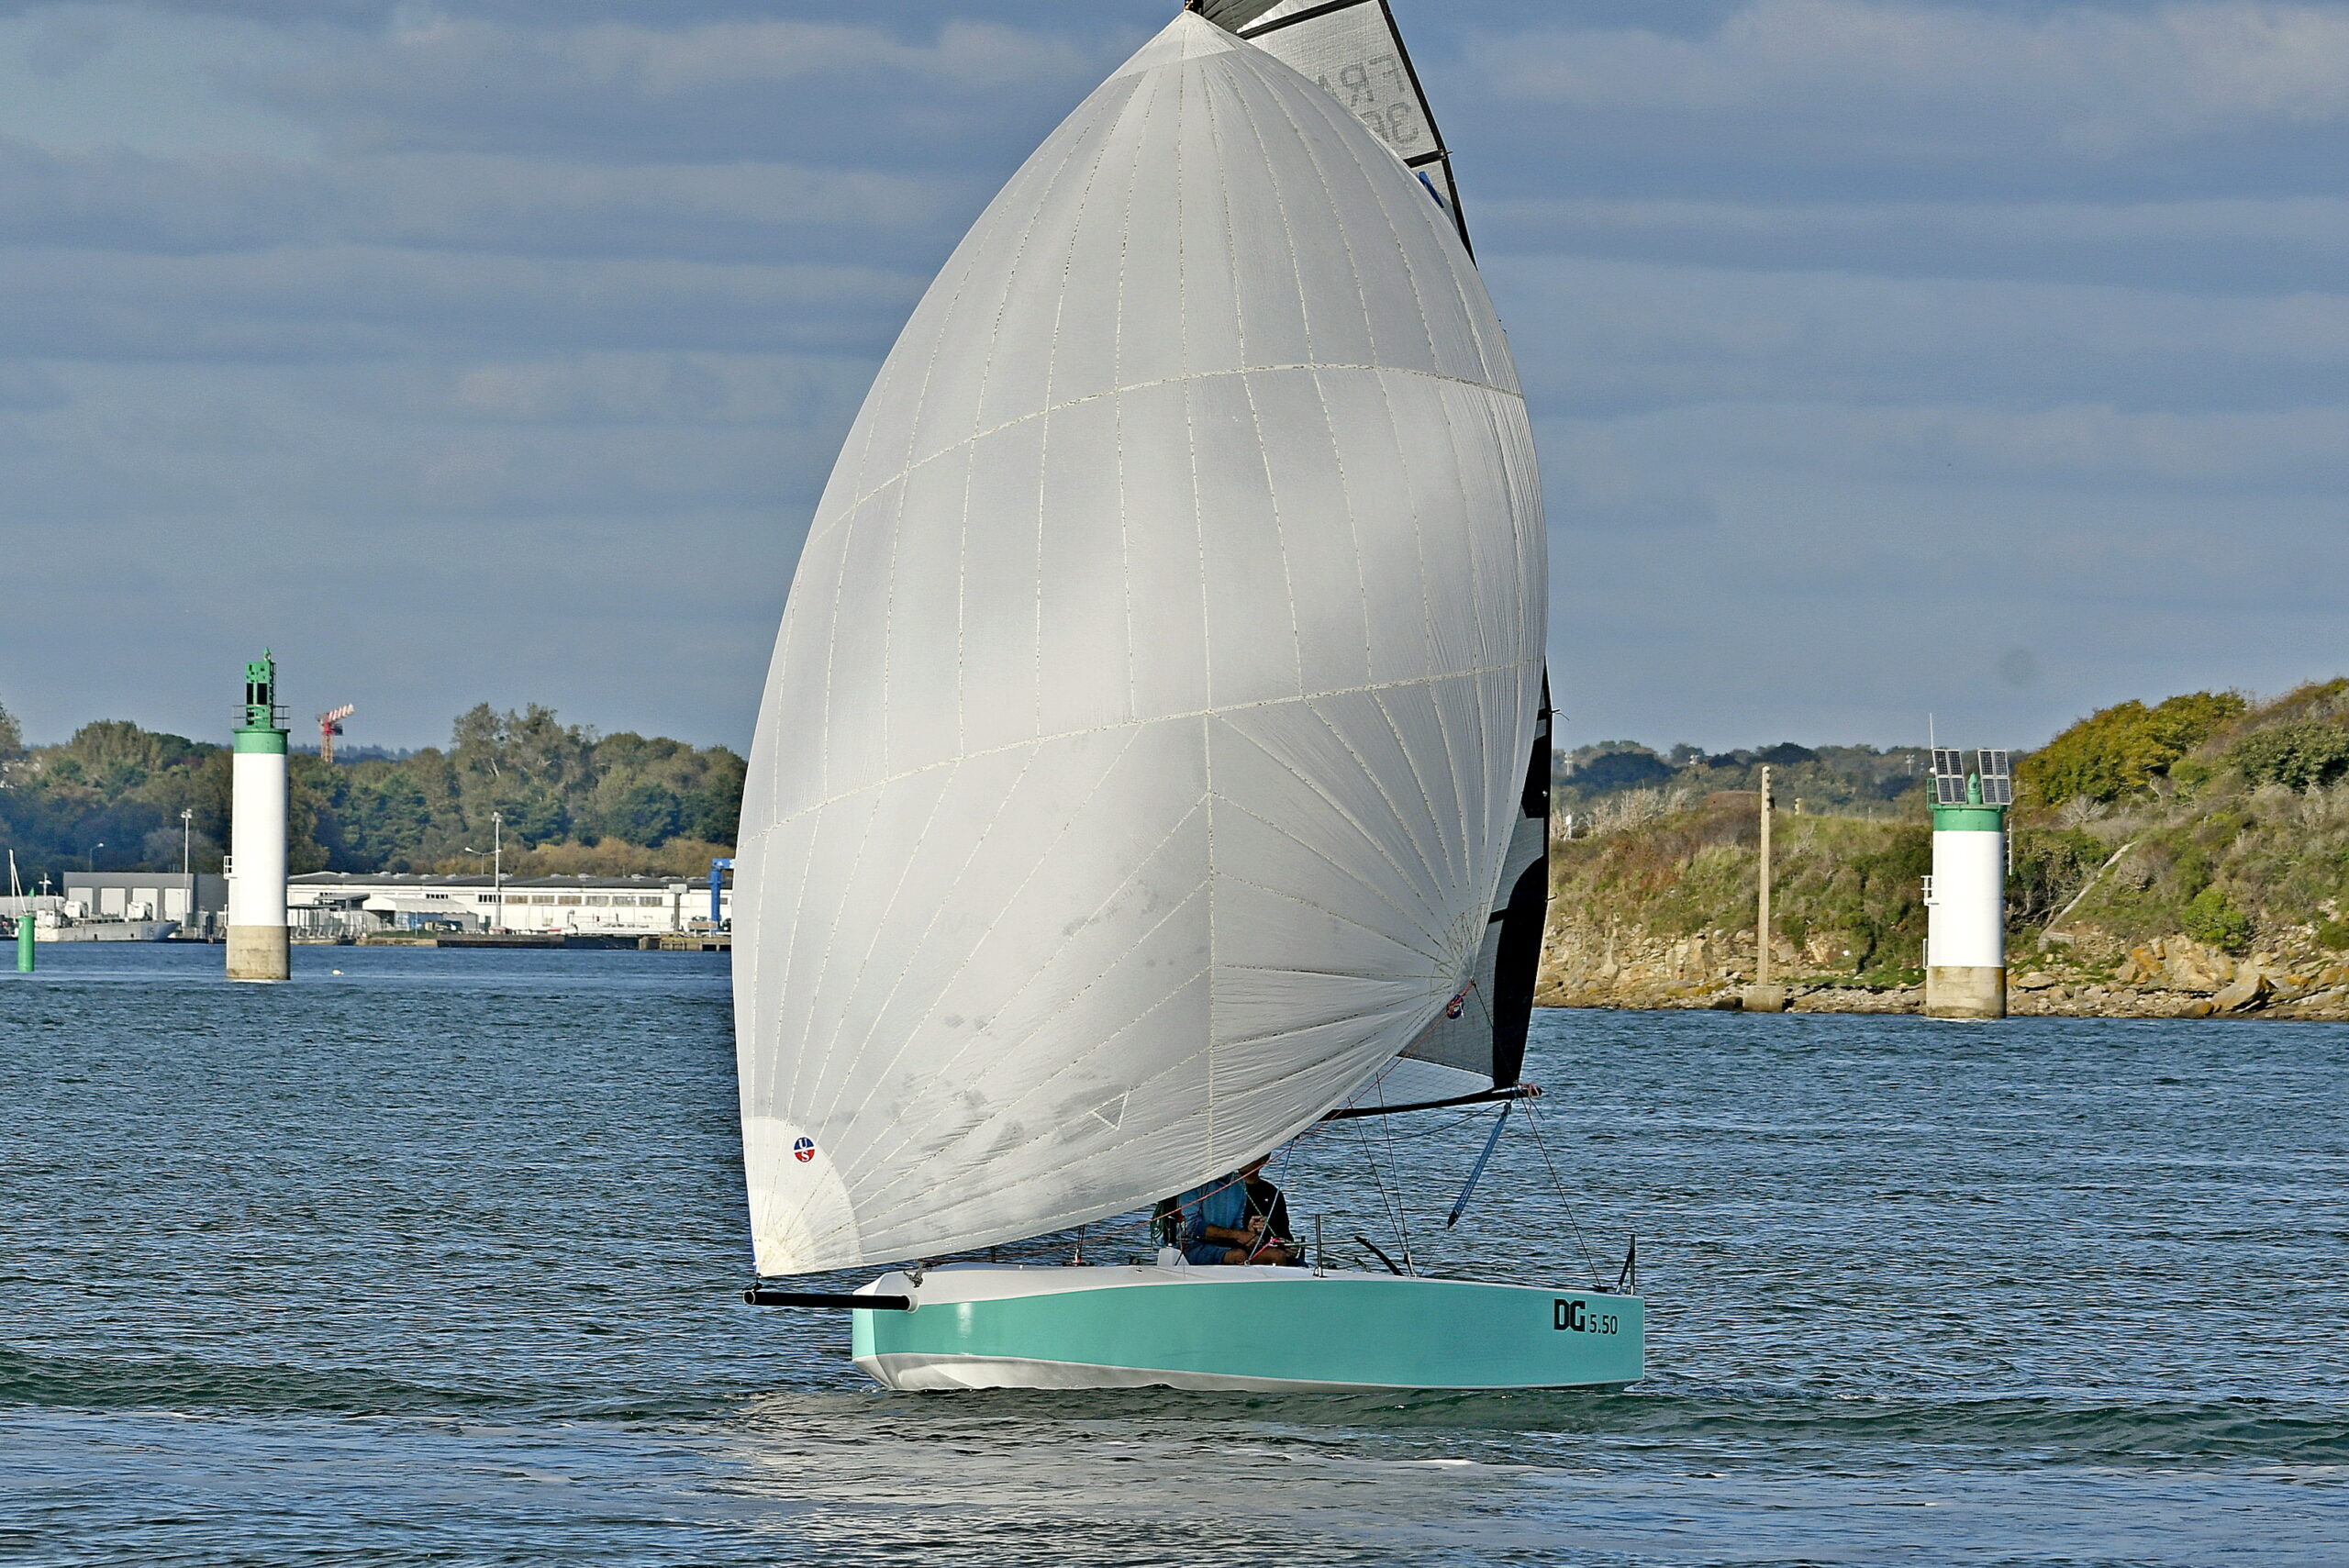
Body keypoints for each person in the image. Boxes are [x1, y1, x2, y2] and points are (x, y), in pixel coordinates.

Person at [1161, 1153, 1302, 1266]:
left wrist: (1249, 1233)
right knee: (1239, 1256)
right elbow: (1189, 1228)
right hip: (1190, 1246)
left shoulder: (1238, 1184)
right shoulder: (1194, 1183)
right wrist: (1238, 1235)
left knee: (1277, 1256)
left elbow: (1237, 1227)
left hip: (1224, 1246)